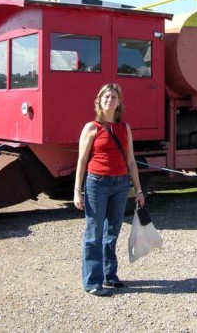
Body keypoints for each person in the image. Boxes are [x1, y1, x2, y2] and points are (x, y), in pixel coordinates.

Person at [73, 83, 145, 297]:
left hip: (121, 183)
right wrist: (78, 190)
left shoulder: (125, 128)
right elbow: (82, 160)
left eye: (113, 97)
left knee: (112, 232)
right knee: (93, 232)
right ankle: (92, 282)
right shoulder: (91, 128)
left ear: (119, 103)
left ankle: (109, 275)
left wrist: (138, 190)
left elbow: (131, 161)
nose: (109, 100)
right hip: (97, 183)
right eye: (106, 97)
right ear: (99, 101)